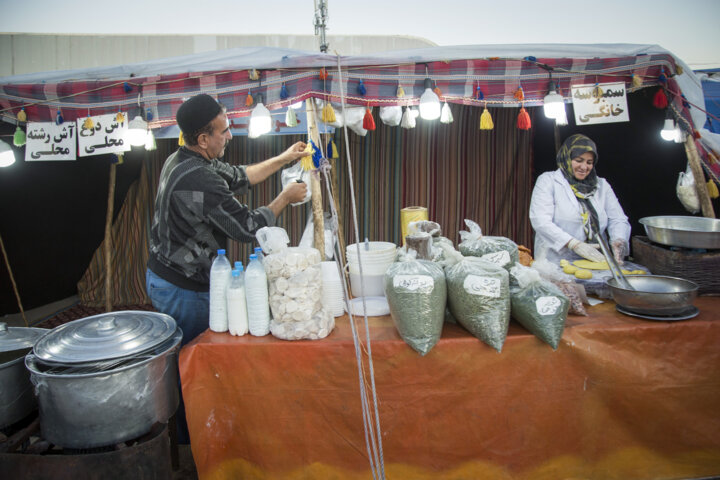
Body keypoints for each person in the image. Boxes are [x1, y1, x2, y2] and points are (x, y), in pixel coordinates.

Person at [145, 93, 307, 443]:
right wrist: (285, 198)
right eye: (224, 130)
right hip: (180, 285)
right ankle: (194, 443)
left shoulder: (186, 158)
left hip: (166, 273)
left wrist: (284, 159)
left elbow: (238, 176)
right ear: (203, 139)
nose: (230, 136)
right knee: (193, 364)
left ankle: (193, 432)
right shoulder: (197, 177)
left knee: (189, 360)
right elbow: (247, 227)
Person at [529, 134, 630, 265]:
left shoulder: (601, 185)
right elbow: (540, 221)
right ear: (566, 158)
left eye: (589, 162)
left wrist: (618, 241)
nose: (584, 167)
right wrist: (573, 244)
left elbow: (618, 218)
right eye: (578, 160)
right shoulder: (548, 181)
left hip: (597, 259)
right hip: (556, 261)